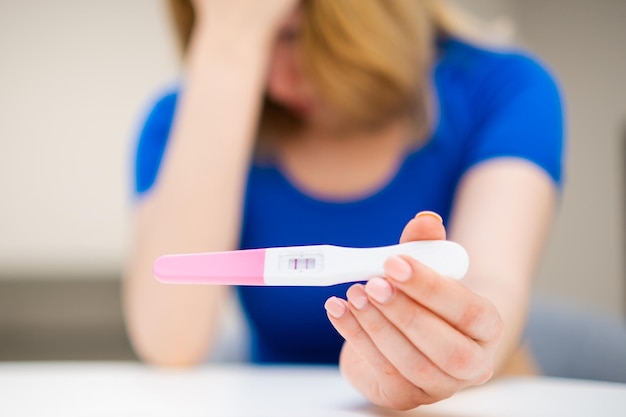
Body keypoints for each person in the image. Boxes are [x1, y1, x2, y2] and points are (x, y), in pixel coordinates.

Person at [123, 0, 564, 410]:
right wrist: (227, 49)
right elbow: (170, 342)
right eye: (222, 31)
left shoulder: (503, 88)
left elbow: (490, 284)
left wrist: (441, 351)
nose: (276, 80)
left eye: (292, 35)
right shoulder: (181, 123)